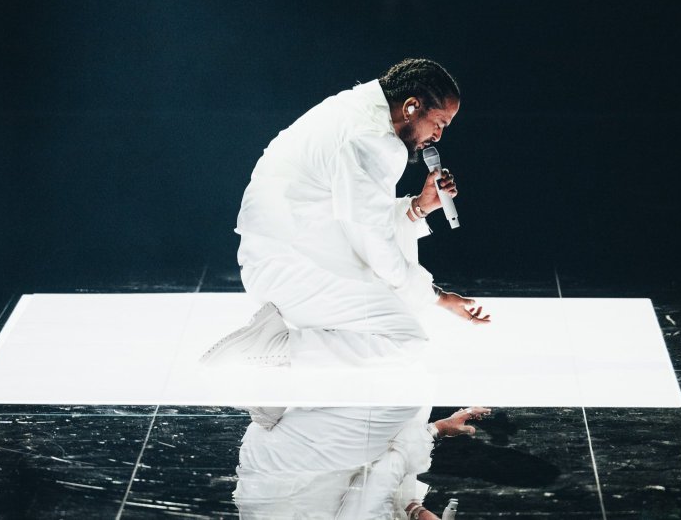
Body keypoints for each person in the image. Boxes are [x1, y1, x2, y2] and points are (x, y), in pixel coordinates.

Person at [201, 58, 489, 369]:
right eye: (439, 123)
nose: (438, 136)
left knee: (396, 301)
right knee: (405, 338)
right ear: (411, 107)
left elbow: (356, 216)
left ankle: (285, 348)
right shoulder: (374, 140)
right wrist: (437, 296)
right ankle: (271, 347)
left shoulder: (355, 107)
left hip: (281, 257)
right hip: (291, 270)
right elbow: (377, 248)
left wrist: (418, 207)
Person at [233, 405, 490, 519]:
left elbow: (382, 475)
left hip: (306, 454)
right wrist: (415, 510)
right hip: (265, 455)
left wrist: (437, 430)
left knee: (406, 404)